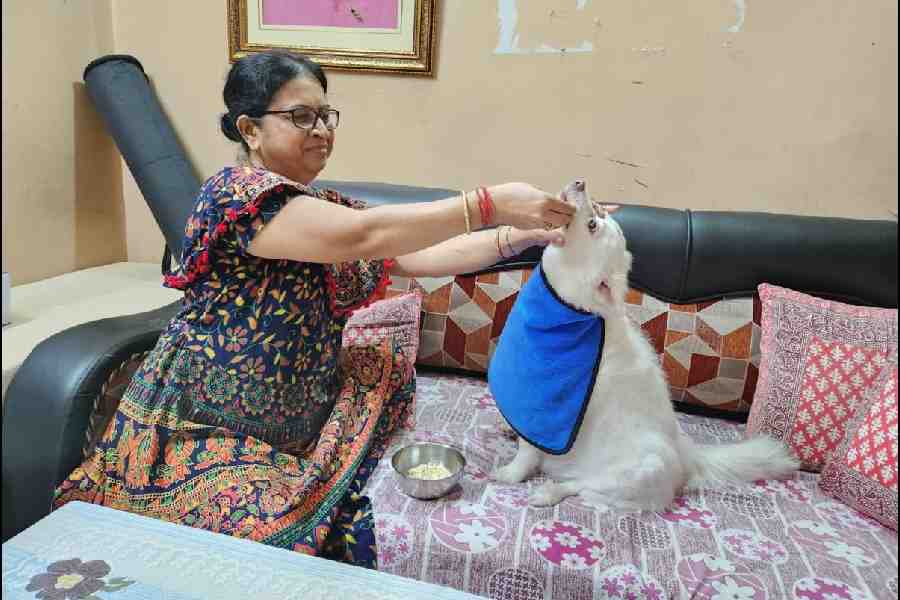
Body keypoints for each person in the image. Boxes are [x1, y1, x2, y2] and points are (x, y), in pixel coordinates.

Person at [54, 50, 609, 567]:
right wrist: (488, 203)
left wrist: (521, 236)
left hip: (299, 411)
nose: (321, 130)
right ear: (250, 129)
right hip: (203, 418)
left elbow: (419, 255)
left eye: (325, 115)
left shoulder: (324, 206)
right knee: (247, 547)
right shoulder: (236, 195)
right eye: (301, 116)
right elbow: (364, 236)